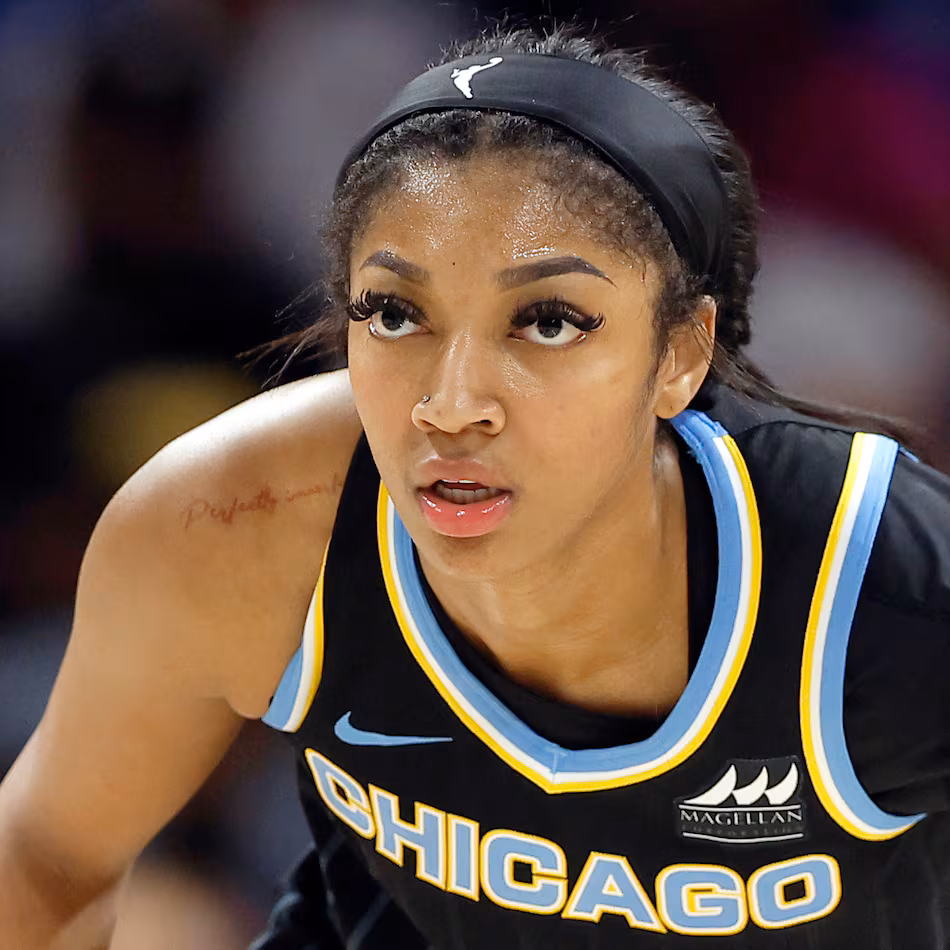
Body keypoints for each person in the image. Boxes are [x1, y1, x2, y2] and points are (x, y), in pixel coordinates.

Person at [2, 23, 949, 950]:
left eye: (546, 322)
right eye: (396, 313)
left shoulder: (890, 585)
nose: (451, 406)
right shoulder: (242, 519)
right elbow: (47, 856)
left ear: (680, 354)